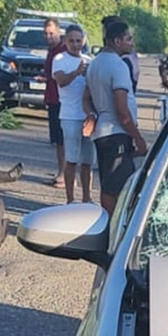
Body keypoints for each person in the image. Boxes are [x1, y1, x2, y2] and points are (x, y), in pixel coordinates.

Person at [82, 17, 148, 214]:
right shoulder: (118, 66)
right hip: (116, 133)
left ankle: (109, 226)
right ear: (116, 41)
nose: (132, 43)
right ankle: (112, 229)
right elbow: (122, 110)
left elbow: (85, 98)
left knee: (108, 183)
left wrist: (92, 115)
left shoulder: (95, 64)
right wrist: (138, 138)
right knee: (117, 189)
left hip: (102, 132)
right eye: (128, 39)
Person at [53, 25, 96, 203]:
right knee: (71, 159)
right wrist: (77, 72)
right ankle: (70, 199)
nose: (75, 44)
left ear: (84, 41)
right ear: (65, 41)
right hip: (70, 115)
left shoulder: (89, 60)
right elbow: (61, 81)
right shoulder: (60, 59)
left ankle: (87, 198)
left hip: (88, 116)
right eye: (71, 40)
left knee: (88, 161)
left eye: (78, 41)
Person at [43, 18, 67, 187]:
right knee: (58, 141)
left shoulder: (63, 52)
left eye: (51, 33)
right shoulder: (51, 52)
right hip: (52, 99)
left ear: (59, 32)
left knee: (64, 140)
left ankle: (65, 175)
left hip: (62, 101)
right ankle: (61, 172)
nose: (49, 37)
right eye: (46, 34)